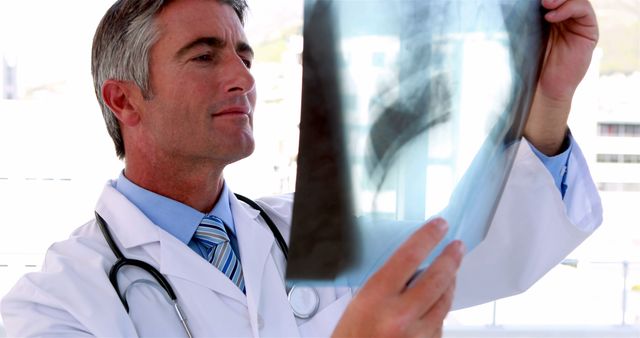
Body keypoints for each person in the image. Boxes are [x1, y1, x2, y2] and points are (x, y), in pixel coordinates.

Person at [0, 0, 601, 336]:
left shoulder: (307, 233)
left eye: (243, 53)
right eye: (204, 54)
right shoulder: (56, 307)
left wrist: (548, 100)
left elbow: (477, 255)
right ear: (124, 100)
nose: (242, 76)